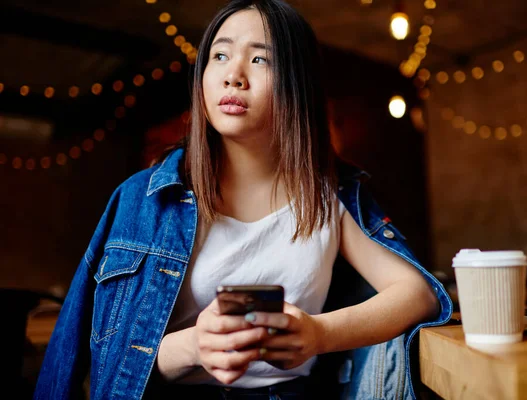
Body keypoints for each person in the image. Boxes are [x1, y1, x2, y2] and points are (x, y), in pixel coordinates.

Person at [34, 0, 452, 399]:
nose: (233, 75)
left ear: (297, 83)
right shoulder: (142, 199)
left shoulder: (330, 193)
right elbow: (100, 364)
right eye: (219, 56)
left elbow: (417, 294)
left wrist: (318, 334)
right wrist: (194, 346)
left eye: (259, 59)